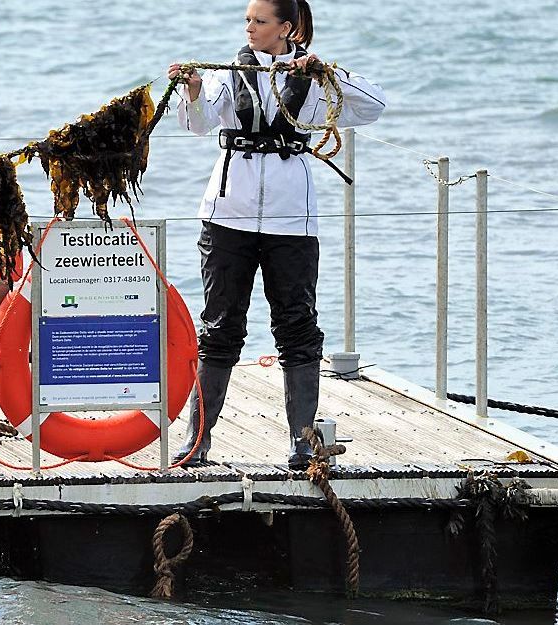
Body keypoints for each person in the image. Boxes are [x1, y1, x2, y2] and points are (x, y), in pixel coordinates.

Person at [168, 0, 386, 468]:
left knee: (297, 325)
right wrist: (191, 91)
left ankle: (302, 443)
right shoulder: (229, 72)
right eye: (247, 20)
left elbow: (374, 106)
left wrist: (325, 74)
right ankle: (197, 441)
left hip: (292, 220)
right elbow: (198, 124)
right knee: (220, 327)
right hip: (227, 215)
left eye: (259, 21)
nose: (249, 28)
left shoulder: (312, 76)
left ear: (286, 28)